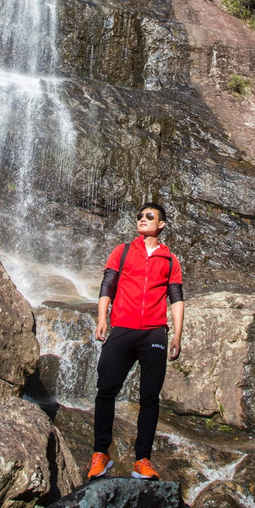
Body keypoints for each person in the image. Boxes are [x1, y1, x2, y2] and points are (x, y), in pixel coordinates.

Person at [87, 202, 184, 481]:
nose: (142, 219)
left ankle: (142, 460)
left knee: (150, 398)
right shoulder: (123, 250)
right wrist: (102, 318)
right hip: (122, 328)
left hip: (154, 331)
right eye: (140, 216)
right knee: (106, 389)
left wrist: (177, 333)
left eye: (149, 216)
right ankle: (100, 454)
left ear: (161, 224)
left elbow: (176, 298)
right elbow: (108, 284)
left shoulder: (170, 259)